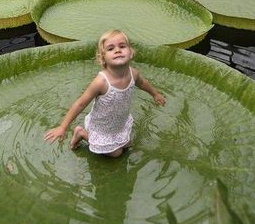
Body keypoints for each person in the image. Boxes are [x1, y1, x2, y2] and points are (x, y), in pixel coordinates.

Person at [44, 29, 166, 157]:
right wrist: (63, 127)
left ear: (130, 52)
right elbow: (80, 104)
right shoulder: (101, 82)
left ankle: (115, 140)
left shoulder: (133, 73)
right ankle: (81, 133)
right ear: (103, 58)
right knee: (116, 153)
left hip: (119, 121)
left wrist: (155, 94)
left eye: (122, 46)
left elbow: (142, 83)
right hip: (102, 126)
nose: (117, 50)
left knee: (127, 144)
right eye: (110, 48)